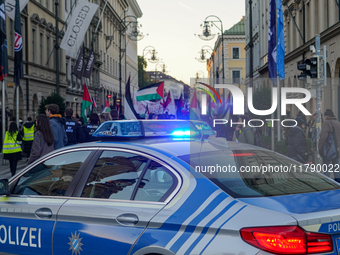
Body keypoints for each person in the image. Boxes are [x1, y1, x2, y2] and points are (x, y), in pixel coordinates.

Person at [318, 109, 340, 182]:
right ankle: (338, 184)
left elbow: (323, 137)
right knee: (336, 168)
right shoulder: (338, 123)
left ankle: (328, 184)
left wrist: (320, 148)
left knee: (326, 168)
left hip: (327, 150)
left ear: (326, 116)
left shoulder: (326, 123)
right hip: (337, 150)